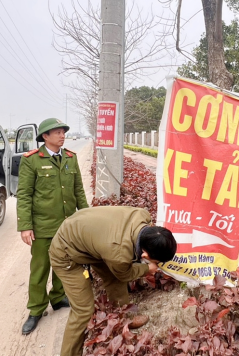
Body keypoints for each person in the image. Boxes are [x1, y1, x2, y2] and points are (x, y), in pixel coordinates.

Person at [49, 206, 177, 356]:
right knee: (83, 311)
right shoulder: (118, 254)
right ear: (146, 254)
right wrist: (148, 268)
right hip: (66, 253)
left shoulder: (142, 216)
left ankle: (124, 319)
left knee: (113, 278)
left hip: (90, 237)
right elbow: (125, 274)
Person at [17, 118, 89, 335]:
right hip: (42, 226)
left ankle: (58, 297)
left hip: (66, 226)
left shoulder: (70, 158)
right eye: (57, 132)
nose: (62, 135)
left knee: (64, 265)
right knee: (40, 269)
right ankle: (36, 309)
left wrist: (86, 216)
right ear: (45, 137)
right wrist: (25, 226)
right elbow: (24, 195)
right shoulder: (32, 160)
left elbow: (79, 191)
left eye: (63, 131)